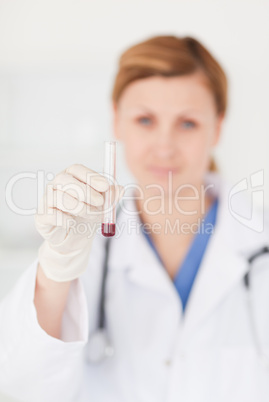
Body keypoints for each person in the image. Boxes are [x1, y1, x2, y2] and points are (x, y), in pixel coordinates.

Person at [0, 35, 269, 402]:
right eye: (145, 120)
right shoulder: (89, 246)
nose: (164, 145)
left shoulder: (259, 247)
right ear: (116, 123)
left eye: (187, 123)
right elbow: (21, 384)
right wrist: (55, 274)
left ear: (218, 127)